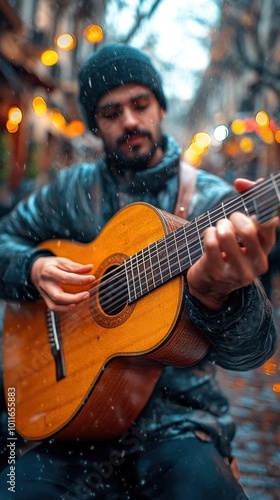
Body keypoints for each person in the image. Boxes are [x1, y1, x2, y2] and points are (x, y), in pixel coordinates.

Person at [0, 43, 278, 500]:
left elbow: (254, 349)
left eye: (140, 104)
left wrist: (219, 296)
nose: (129, 121)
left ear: (161, 107)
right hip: (73, 419)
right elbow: (5, 239)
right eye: (111, 112)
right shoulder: (74, 188)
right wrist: (33, 268)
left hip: (179, 420)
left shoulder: (213, 203)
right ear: (94, 126)